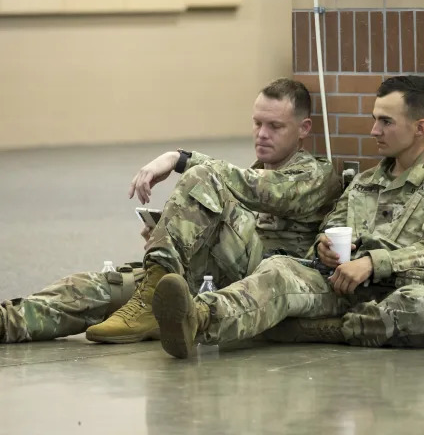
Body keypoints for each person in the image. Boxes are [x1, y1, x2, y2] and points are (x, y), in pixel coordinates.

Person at [149, 75, 424, 359]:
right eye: (375, 119)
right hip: (337, 285)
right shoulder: (365, 181)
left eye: (386, 122)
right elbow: (333, 223)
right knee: (278, 269)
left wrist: (374, 263)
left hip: (392, 293)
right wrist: (324, 244)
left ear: (419, 128)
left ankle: (316, 329)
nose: (374, 129)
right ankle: (200, 317)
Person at [0, 78, 340, 344]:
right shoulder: (246, 175)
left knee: (203, 177)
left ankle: (153, 297)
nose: (262, 134)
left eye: (275, 126)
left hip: (260, 283)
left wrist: (178, 158)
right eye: (257, 123)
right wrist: (171, 233)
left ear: (304, 129)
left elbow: (263, 192)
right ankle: (9, 323)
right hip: (207, 276)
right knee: (95, 287)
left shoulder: (316, 175)